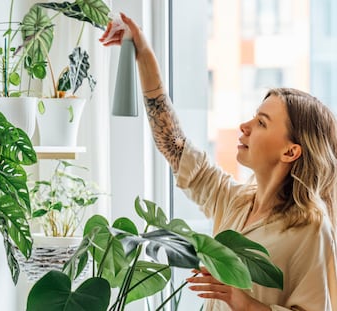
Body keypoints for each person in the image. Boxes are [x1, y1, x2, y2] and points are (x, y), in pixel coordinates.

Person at [100, 13, 337, 311]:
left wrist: (245, 303)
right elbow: (173, 144)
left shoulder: (312, 228)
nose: (244, 126)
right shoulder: (233, 201)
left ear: (290, 152)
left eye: (262, 123)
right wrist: (143, 52)